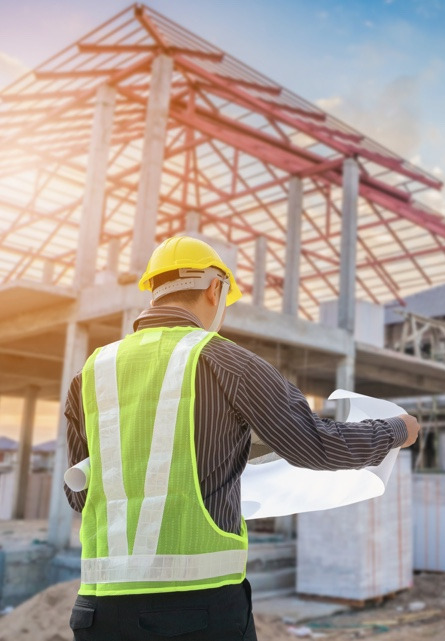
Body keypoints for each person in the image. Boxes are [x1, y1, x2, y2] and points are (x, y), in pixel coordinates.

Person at [63, 235, 420, 640]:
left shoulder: (89, 375)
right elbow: (318, 445)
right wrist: (397, 430)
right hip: (196, 613)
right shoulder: (227, 362)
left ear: (154, 291)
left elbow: (80, 495)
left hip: (96, 613)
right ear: (215, 288)